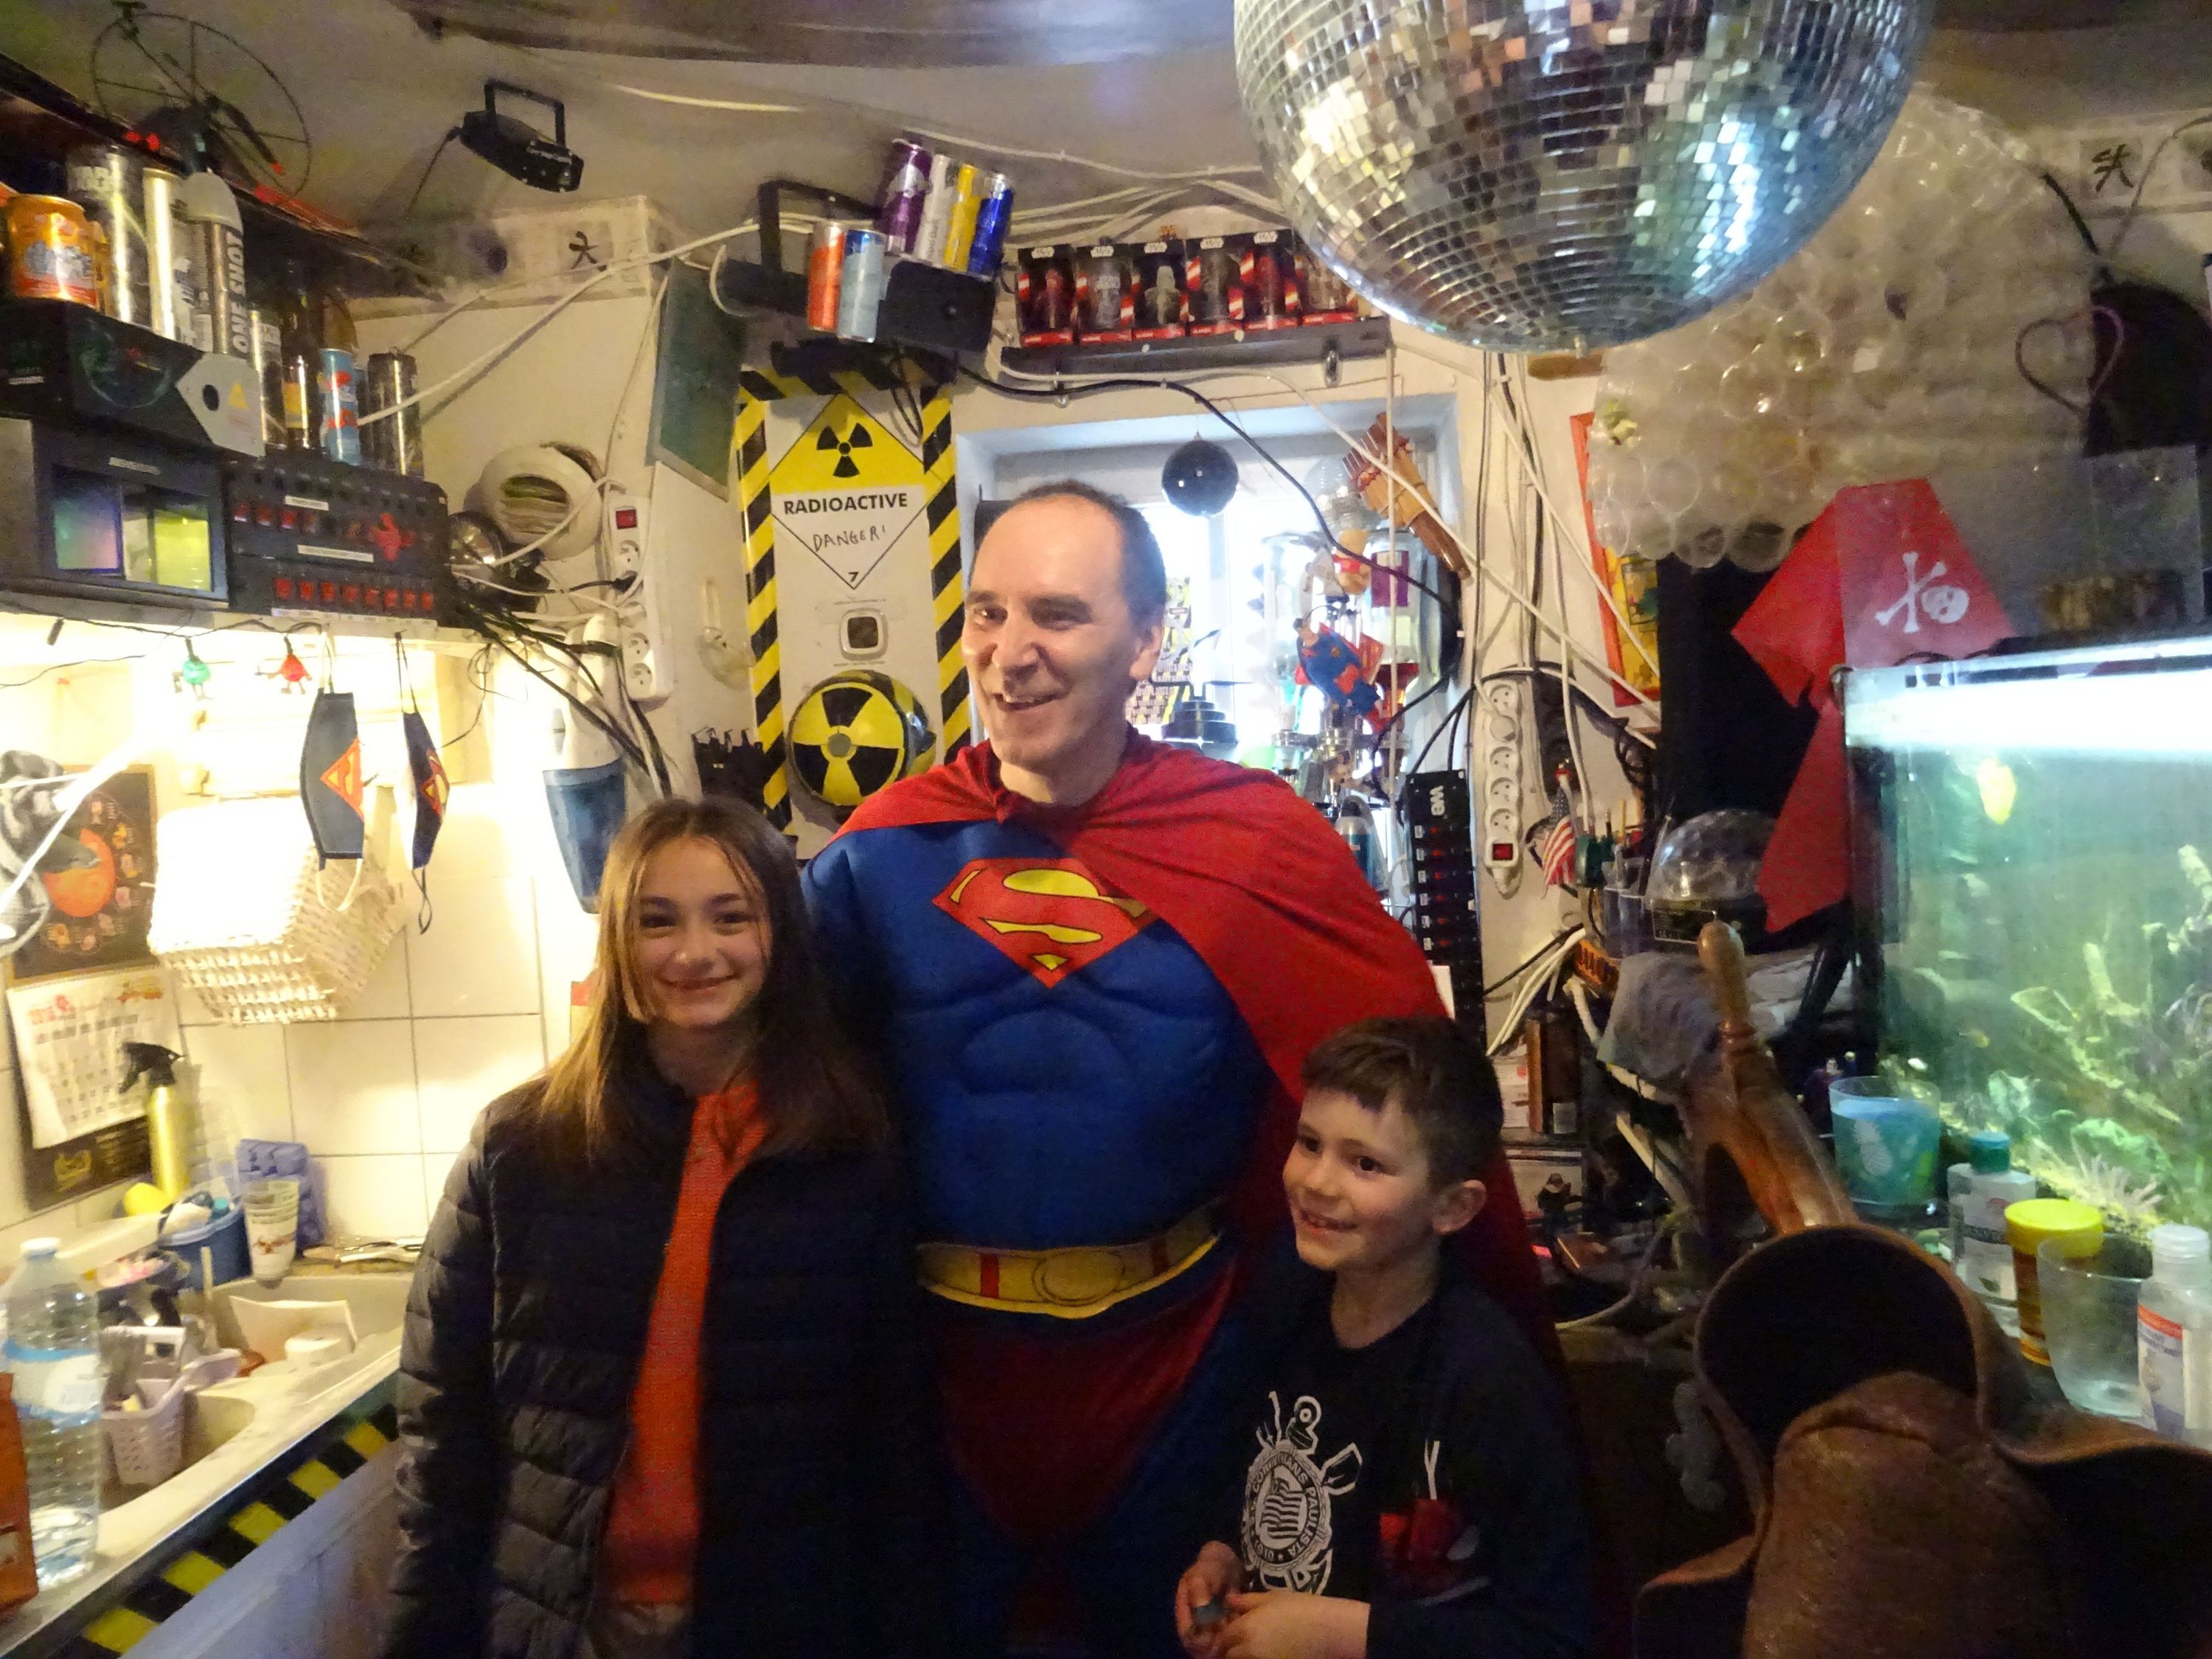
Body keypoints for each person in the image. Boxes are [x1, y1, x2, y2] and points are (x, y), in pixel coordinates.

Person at [804, 479, 1557, 1656]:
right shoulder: (877, 852)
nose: (1011, 651)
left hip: (1183, 1373)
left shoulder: (1251, 841)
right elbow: (775, 1093)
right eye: (988, 613)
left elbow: (1405, 1102)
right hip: (939, 1377)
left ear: (1146, 640)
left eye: (1057, 614)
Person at [381, 798, 937, 1659]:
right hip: (565, 1618)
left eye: (731, 917)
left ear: (780, 935)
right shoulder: (521, 1148)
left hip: (779, 1620)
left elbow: (895, 1440)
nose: (694, 952)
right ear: (617, 941)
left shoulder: (849, 1150)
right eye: (657, 921)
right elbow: (442, 1429)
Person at [1174, 1018, 1593, 1659]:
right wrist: (1220, 1552)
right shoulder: (1285, 1297)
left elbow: (1553, 1638)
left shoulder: (1484, 1379)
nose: (1317, 1182)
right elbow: (1245, 1464)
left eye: (1365, 1164)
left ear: (1452, 1208)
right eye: (1309, 1143)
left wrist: (1344, 1636)